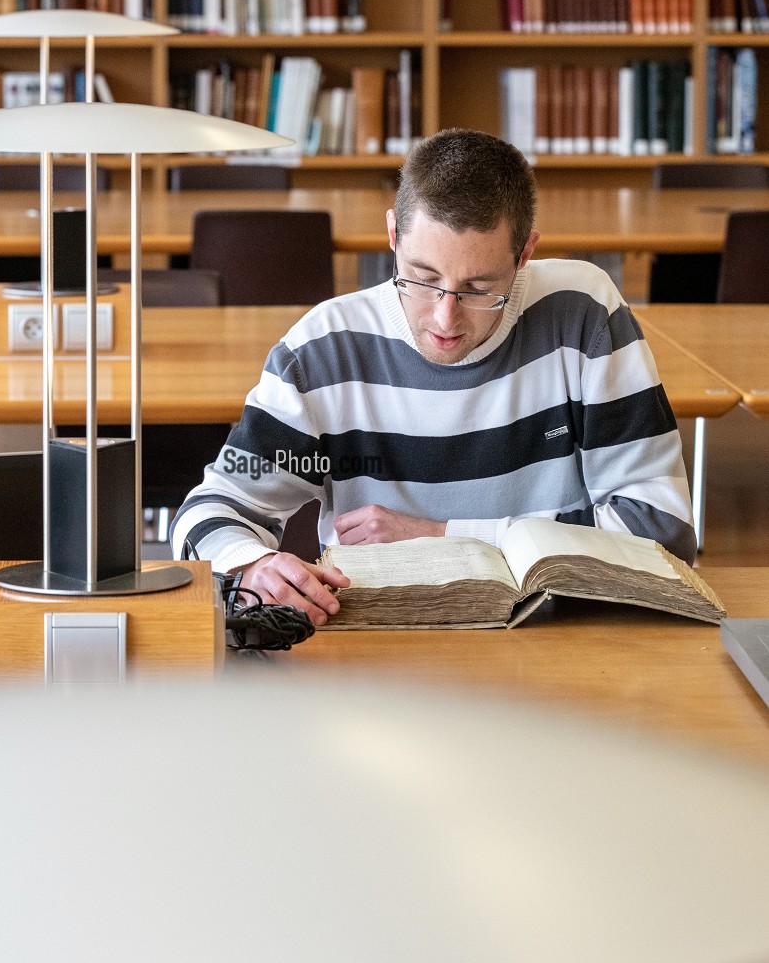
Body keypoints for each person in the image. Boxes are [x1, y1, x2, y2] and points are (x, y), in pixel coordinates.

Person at [171, 129, 696, 626]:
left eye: (479, 287)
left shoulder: (581, 313)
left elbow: (663, 533)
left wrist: (443, 536)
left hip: (565, 639)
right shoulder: (323, 352)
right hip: (384, 652)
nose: (445, 319)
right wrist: (249, 567)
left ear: (525, 255)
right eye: (422, 280)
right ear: (393, 236)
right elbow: (209, 511)